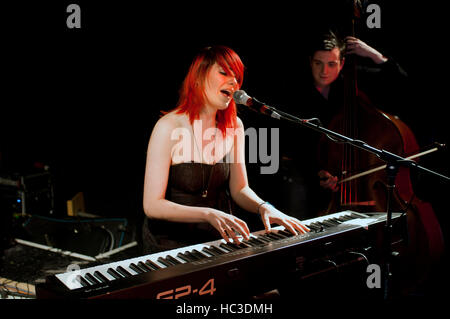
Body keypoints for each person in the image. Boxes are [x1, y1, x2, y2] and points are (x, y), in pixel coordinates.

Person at [142, 45, 309, 254]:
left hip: (216, 242)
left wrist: (264, 206)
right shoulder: (168, 126)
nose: (233, 83)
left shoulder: (234, 125)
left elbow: (239, 189)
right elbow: (152, 205)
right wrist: (207, 214)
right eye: (224, 73)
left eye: (237, 78)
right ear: (198, 77)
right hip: (169, 246)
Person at [269, 30, 408, 219]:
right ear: (310, 62)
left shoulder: (352, 81)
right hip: (306, 170)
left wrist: (373, 55)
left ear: (342, 63)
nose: (324, 71)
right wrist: (319, 172)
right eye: (318, 63)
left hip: (356, 177)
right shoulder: (294, 92)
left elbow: (401, 82)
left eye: (331, 64)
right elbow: (291, 142)